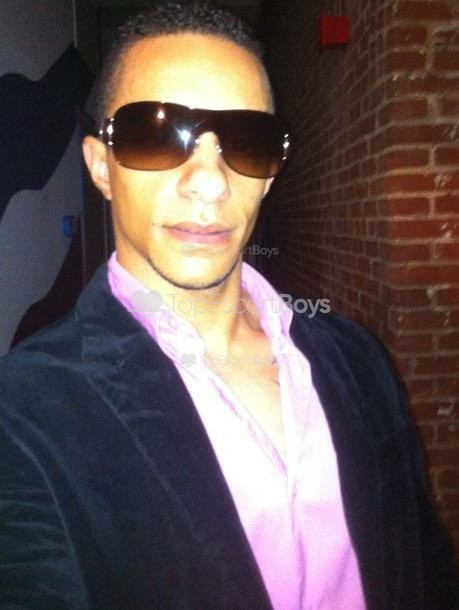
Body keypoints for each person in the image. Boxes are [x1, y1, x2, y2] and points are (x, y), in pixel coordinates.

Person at [0, 2, 456, 609]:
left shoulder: (360, 359)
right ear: (101, 167)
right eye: (157, 134)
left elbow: (426, 567)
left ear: (268, 175)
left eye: (245, 141)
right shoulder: (24, 411)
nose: (210, 182)